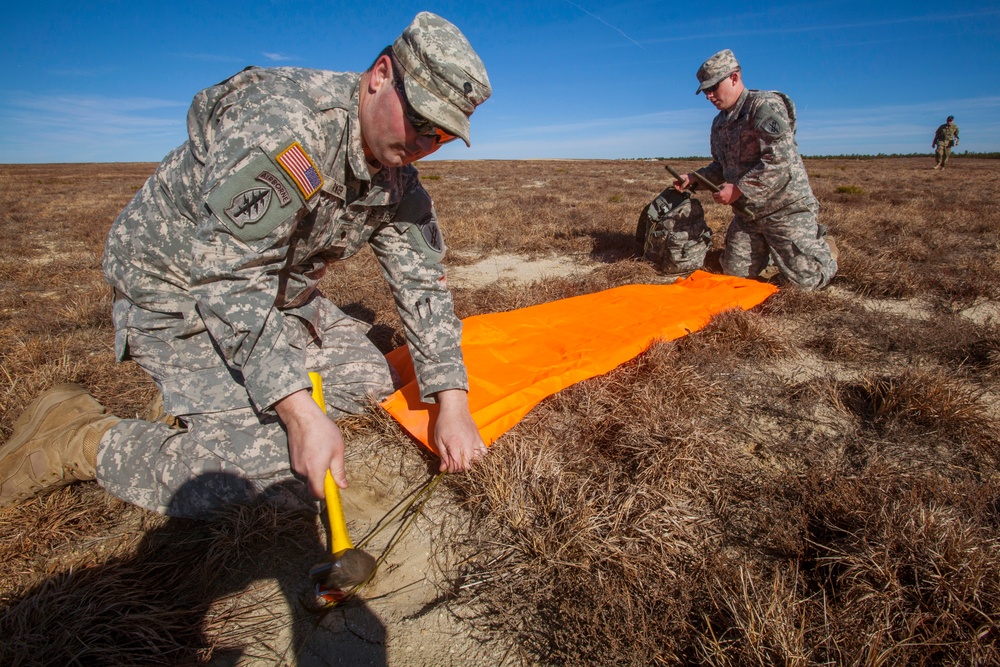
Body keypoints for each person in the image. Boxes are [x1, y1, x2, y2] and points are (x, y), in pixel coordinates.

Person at [0, 12, 492, 517]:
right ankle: (79, 436)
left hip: (273, 298)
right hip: (179, 296)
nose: (423, 144)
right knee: (275, 474)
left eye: (442, 136)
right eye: (420, 121)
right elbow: (227, 277)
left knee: (372, 378)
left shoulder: (397, 177)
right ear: (380, 75)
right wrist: (299, 413)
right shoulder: (284, 123)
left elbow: (423, 287)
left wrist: (451, 403)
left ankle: (203, 400)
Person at [673, 49, 837, 290]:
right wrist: (694, 178)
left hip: (785, 209)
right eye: (705, 91)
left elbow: (780, 159)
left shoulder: (764, 105)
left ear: (734, 78)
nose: (709, 96)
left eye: (712, 88)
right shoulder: (720, 123)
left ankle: (822, 248)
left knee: (806, 282)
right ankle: (776, 250)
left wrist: (739, 189)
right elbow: (721, 165)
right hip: (749, 216)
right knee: (733, 276)